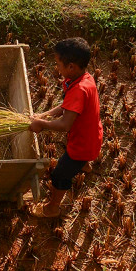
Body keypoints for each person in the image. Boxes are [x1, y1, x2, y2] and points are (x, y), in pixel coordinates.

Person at [28, 37, 103, 218]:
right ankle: (84, 166)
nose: (57, 68)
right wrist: (44, 115)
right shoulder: (86, 78)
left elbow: (64, 124)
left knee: (60, 174)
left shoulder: (78, 90)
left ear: (71, 67)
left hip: (82, 145)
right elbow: (66, 106)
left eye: (58, 64)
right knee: (77, 162)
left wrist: (41, 124)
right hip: (93, 136)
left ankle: (52, 208)